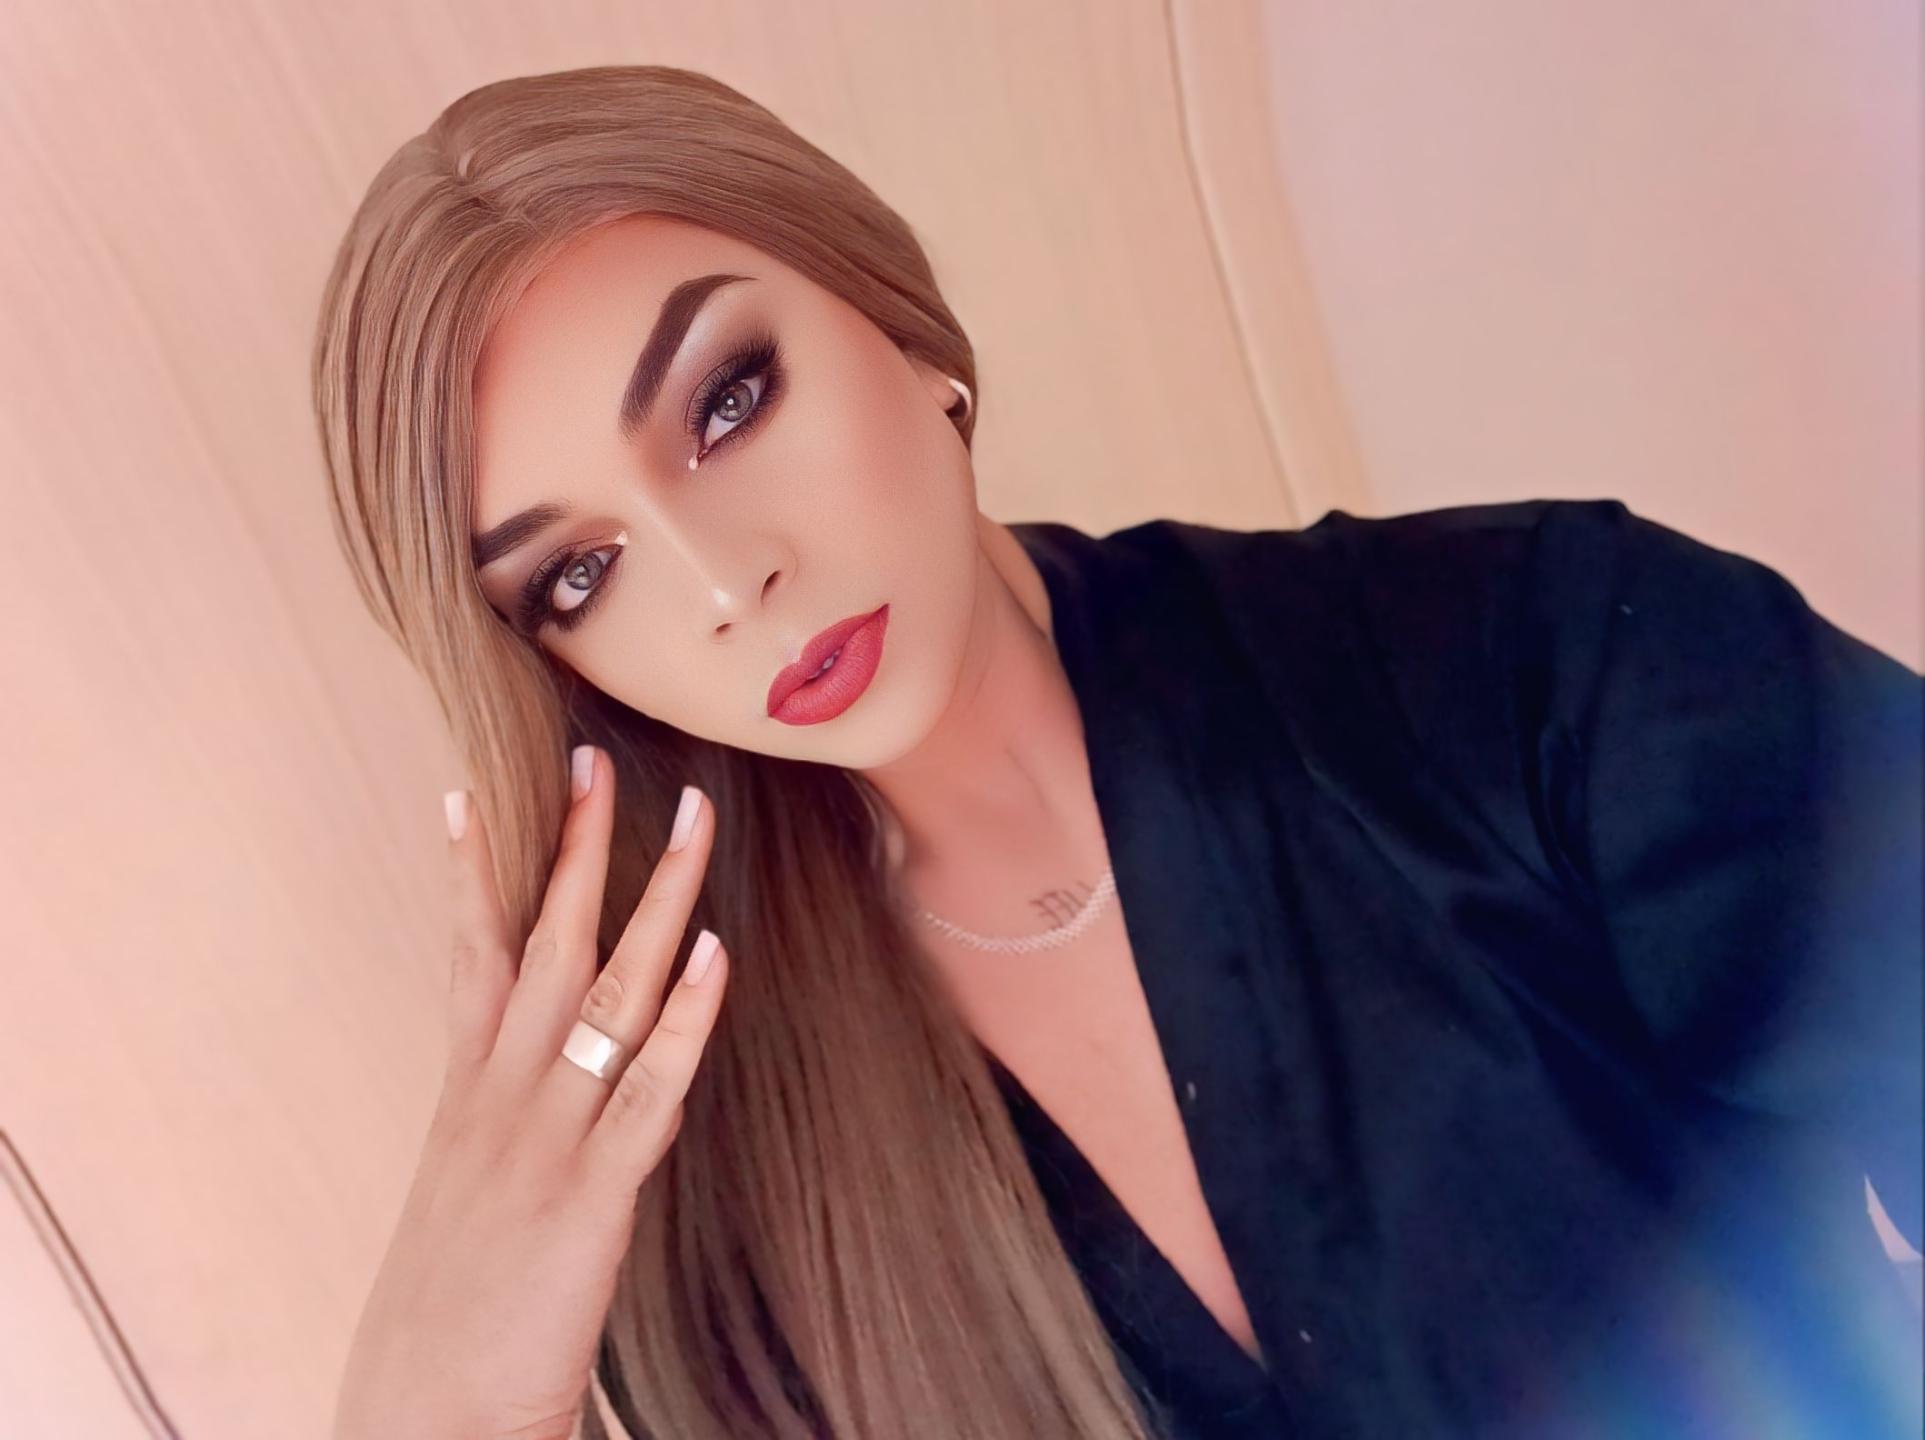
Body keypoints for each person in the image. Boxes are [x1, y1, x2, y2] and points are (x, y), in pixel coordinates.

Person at [311, 64, 1923, 1440]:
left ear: (898, 326)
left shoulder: (1523, 660)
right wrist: (433, 1404)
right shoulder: (698, 1172)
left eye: (728, 402)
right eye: (578, 576)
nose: (726, 586)